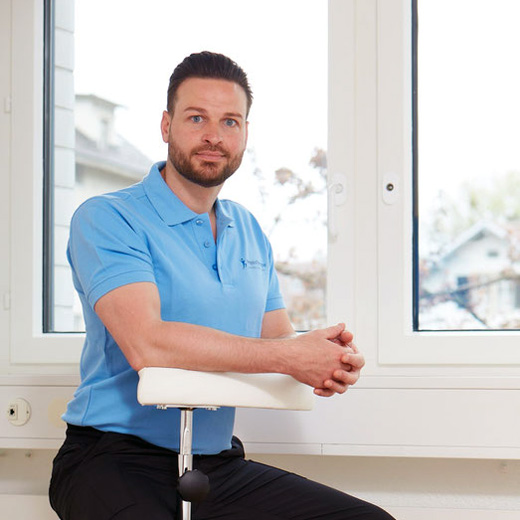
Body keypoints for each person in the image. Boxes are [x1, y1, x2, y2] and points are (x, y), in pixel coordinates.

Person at [49, 51, 395, 520]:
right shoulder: (108, 218)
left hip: (214, 464)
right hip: (111, 459)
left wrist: (321, 358)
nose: (214, 135)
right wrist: (290, 355)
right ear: (166, 126)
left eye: (230, 121)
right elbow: (148, 344)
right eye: (197, 118)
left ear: (246, 133)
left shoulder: (248, 229)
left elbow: (275, 341)